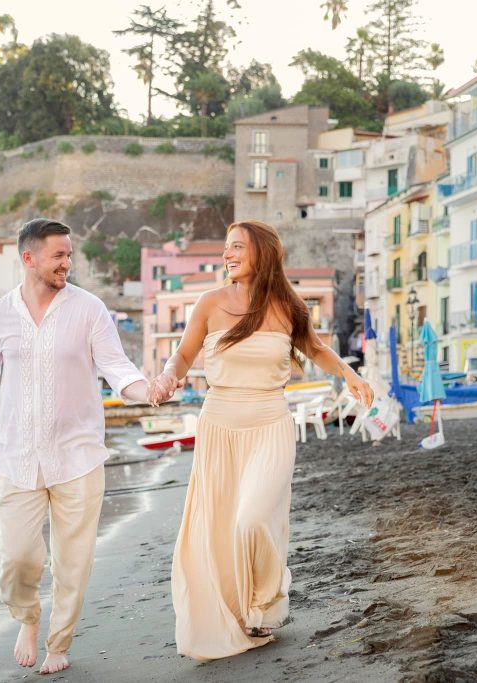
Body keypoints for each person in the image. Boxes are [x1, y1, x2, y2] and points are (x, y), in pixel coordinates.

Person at [148, 220, 373, 661]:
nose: (227, 254)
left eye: (237, 247)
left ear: (262, 253)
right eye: (226, 247)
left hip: (270, 423)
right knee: (221, 527)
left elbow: (316, 348)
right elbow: (184, 354)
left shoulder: (288, 306)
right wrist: (167, 376)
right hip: (219, 424)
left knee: (252, 520)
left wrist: (350, 374)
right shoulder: (210, 302)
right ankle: (242, 611)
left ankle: (266, 602)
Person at [0, 218, 148, 674]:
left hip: (78, 456)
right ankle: (27, 616)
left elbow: (116, 367)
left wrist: (149, 390)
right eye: (58, 255)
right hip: (15, 456)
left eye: (69, 254)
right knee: (16, 559)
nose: (67, 263)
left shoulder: (89, 309)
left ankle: (58, 643)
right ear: (29, 258)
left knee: (73, 563)